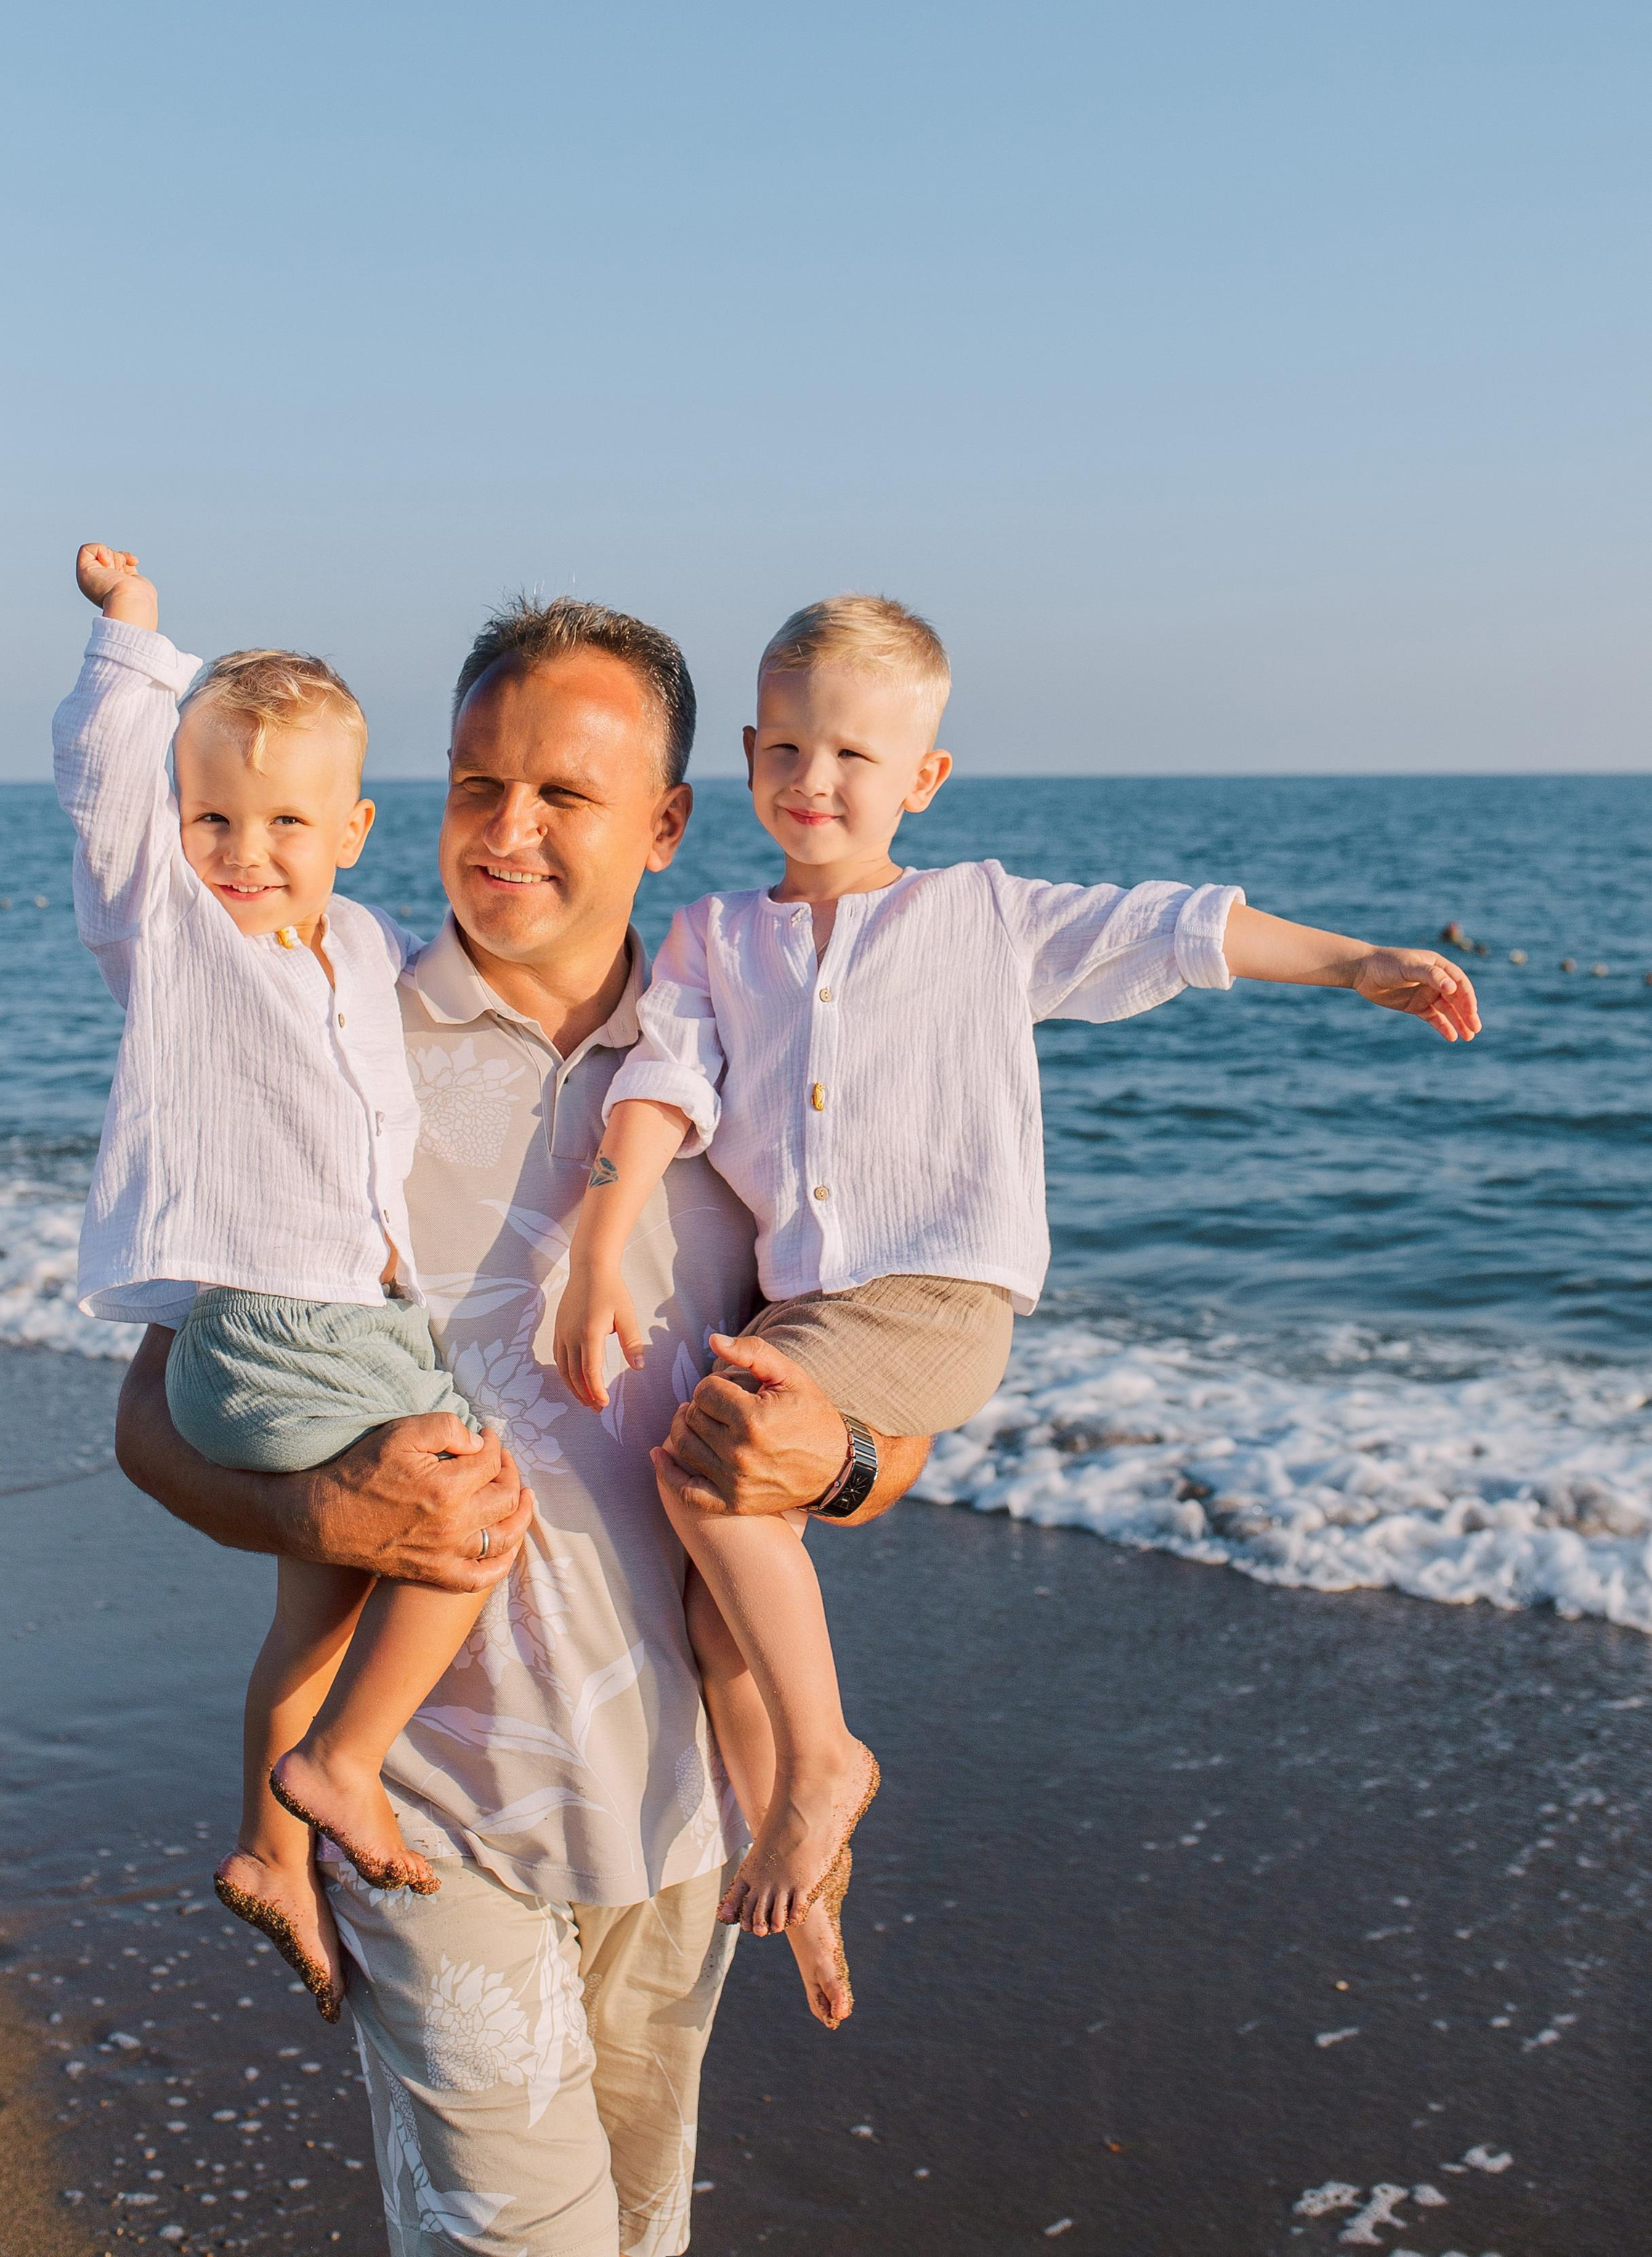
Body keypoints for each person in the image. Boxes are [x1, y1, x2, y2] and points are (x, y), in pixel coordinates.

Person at [112, 596, 920, 2257]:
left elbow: (883, 1413)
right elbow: (151, 1417)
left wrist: (837, 1466)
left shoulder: (764, 1062)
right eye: (478, 785)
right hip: (425, 1803)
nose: (507, 831)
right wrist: (330, 1517)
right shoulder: (316, 1034)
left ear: (669, 822)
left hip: (683, 1807)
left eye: (563, 794)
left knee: (636, 2228)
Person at [554, 593, 1484, 2027]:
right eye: (787, 748)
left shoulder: (977, 915)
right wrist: (609, 1225)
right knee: (711, 1598)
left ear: (921, 779)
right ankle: (793, 1852)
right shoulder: (712, 937)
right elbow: (661, 1087)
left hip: (930, 1297)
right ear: (746, 753)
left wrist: (1355, 961)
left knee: (709, 1477)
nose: (814, 783)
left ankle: (823, 1766)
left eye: (855, 757)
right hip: (811, 1305)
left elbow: (1177, 929)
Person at [54, 543, 502, 2027]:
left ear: (355, 830)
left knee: (311, 1624)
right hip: (272, 1333)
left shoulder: (365, 945)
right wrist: (135, 643)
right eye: (212, 819)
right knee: (468, 1515)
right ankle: (341, 1771)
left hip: (340, 1326)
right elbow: (108, 804)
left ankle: (267, 1846)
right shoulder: (177, 940)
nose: (246, 851)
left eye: (287, 822)